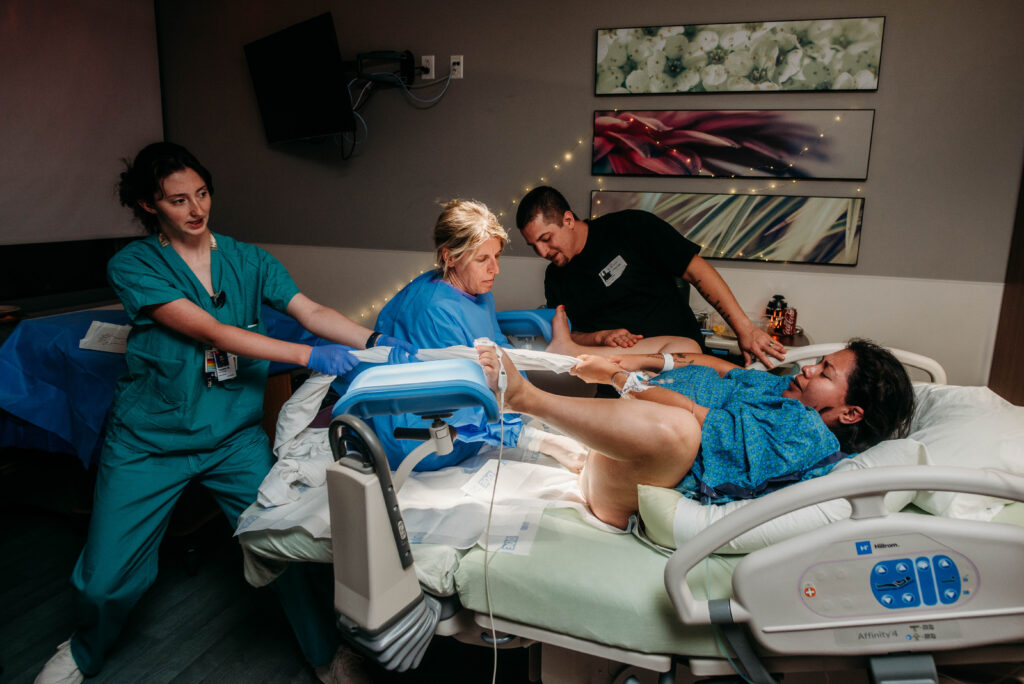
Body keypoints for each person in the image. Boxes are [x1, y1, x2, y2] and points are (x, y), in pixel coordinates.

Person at [35, 142, 414, 684]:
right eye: (178, 200)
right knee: (105, 578)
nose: (196, 209)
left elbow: (309, 310)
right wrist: (310, 354)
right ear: (150, 206)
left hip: (234, 440)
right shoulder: (134, 265)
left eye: (203, 194)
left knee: (287, 544)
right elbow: (212, 332)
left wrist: (377, 339)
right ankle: (84, 649)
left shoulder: (248, 260)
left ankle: (324, 656)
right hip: (150, 441)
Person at [373, 199, 701, 471]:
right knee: (567, 442)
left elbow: (500, 354)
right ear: (449, 257)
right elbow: (460, 400)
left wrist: (534, 401)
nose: (495, 269)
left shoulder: (478, 292)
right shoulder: (432, 308)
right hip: (427, 438)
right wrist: (538, 437)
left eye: (497, 257)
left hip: (488, 405)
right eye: (483, 259)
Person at [476, 326, 914, 529]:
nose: (810, 368)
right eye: (820, 361)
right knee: (684, 344)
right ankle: (569, 446)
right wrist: (639, 362)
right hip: (632, 424)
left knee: (679, 430)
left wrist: (617, 379)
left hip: (633, 479)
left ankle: (525, 399)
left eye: (825, 372)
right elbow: (718, 366)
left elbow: (693, 416)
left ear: (850, 413)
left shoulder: (805, 432)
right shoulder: (785, 391)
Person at [515, 186, 787, 368]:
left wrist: (745, 329)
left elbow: (697, 270)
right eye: (533, 245)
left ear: (568, 220)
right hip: (616, 378)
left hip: (680, 362)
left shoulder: (630, 227)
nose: (541, 251)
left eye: (546, 239)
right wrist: (600, 337)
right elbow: (572, 334)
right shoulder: (556, 277)